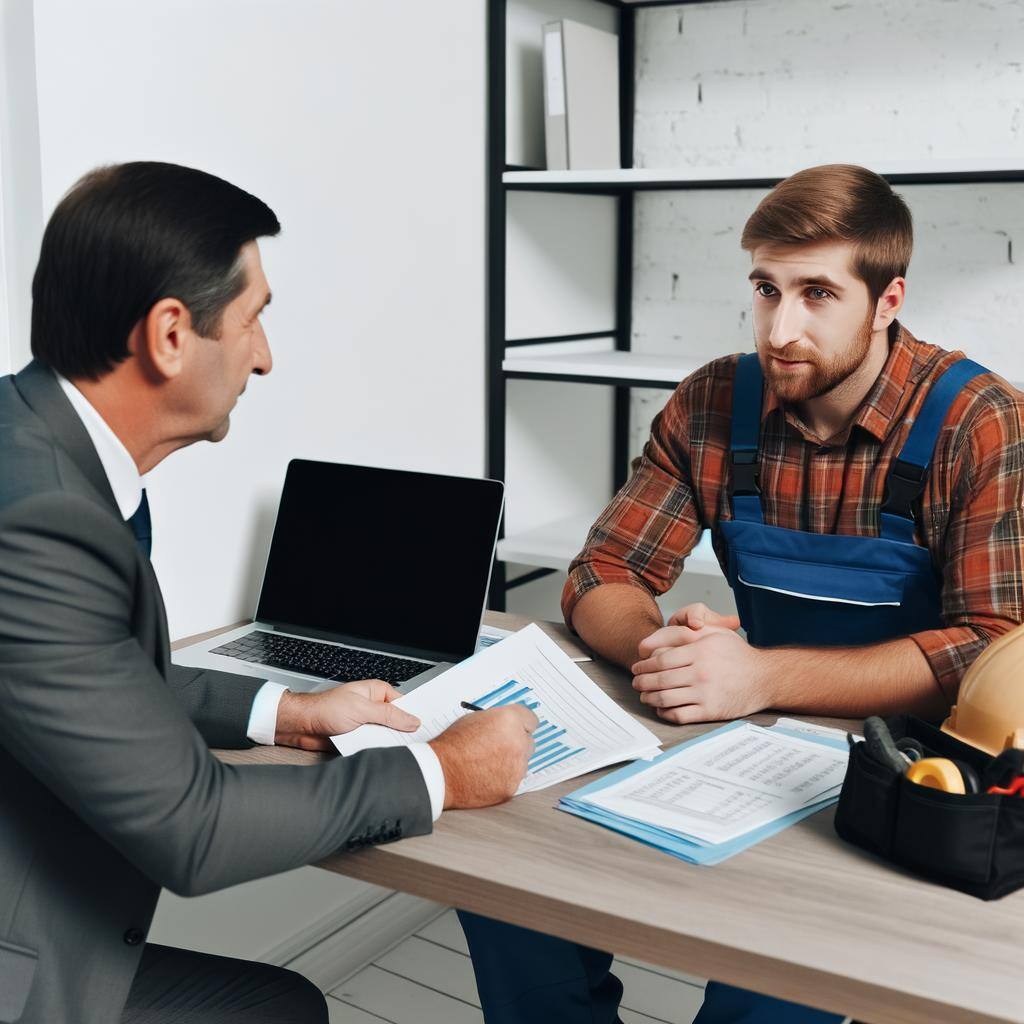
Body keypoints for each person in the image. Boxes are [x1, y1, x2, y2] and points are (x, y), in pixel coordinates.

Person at [459, 163, 1024, 1024]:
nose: (780, 328)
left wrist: (760, 676)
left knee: (763, 997)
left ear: (888, 300)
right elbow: (602, 573)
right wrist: (668, 655)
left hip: (896, 771)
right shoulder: (715, 400)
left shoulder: (977, 420)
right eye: (766, 289)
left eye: (816, 295)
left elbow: (991, 648)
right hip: (737, 734)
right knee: (503, 879)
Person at [0, 161, 537, 1024]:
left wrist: (289, 712)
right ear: (171, 334)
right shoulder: (37, 519)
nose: (265, 356)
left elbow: (95, 682)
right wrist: (444, 769)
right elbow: (194, 829)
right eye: (253, 319)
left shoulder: (37, 447)